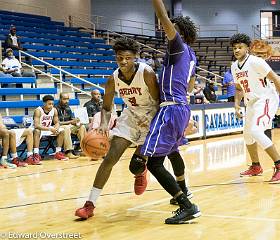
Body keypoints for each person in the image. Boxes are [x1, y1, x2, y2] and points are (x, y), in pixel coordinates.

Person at [75, 37, 159, 220]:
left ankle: (141, 171)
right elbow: (106, 107)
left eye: (127, 58)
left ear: (135, 57)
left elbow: (158, 103)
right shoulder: (112, 79)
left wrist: (158, 126)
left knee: (135, 165)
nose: (123, 61)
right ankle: (90, 204)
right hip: (131, 117)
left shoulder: (147, 73)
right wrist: (104, 124)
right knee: (109, 159)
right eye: (120, 57)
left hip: (152, 118)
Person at [140, 0, 201, 224]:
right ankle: (183, 192)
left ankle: (187, 205)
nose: (166, 30)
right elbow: (191, 86)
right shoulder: (191, 55)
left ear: (179, 32)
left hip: (170, 108)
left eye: (172, 28)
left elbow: (164, 18)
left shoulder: (178, 46)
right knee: (173, 152)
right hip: (181, 107)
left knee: (152, 163)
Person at [230, 34, 280, 183]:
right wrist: (236, 104)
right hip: (251, 102)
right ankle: (256, 166)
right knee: (247, 135)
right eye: (234, 48)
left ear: (247, 48)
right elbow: (239, 88)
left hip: (266, 99)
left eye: (240, 47)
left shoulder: (256, 62)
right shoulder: (234, 66)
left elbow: (276, 79)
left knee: (256, 131)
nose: (237, 50)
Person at [33, 95, 70, 163]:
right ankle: (36, 154)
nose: (51, 105)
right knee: (37, 131)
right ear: (44, 103)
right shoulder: (38, 110)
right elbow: (36, 125)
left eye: (52, 104)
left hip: (47, 129)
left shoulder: (54, 110)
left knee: (61, 131)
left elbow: (57, 122)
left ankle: (57, 152)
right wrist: (50, 129)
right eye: (49, 104)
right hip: (38, 129)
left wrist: (56, 128)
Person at [55, 93, 85, 159]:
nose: (67, 101)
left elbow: (72, 120)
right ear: (60, 99)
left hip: (69, 126)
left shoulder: (67, 107)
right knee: (66, 128)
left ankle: (83, 149)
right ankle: (68, 152)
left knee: (82, 127)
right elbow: (57, 123)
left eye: (68, 99)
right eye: (64, 99)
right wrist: (70, 122)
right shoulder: (55, 108)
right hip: (58, 127)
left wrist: (76, 121)